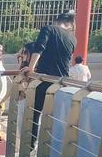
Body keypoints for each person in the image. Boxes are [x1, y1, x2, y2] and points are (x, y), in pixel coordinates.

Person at [27, 11, 76, 147]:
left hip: (44, 79)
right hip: (62, 82)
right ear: (71, 24)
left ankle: (31, 146)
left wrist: (30, 68)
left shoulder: (48, 29)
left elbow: (39, 48)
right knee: (56, 117)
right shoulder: (73, 38)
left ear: (56, 21)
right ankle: (53, 147)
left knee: (35, 114)